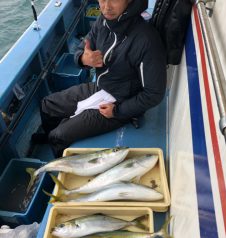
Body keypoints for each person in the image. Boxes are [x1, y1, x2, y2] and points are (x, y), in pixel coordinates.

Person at [34, 0, 166, 157]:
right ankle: (50, 140)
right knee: (47, 106)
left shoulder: (147, 40)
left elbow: (154, 94)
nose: (106, 6)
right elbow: (83, 47)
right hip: (101, 87)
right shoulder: (103, 21)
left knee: (59, 135)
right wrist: (83, 58)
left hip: (120, 103)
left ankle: (60, 163)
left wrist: (118, 111)